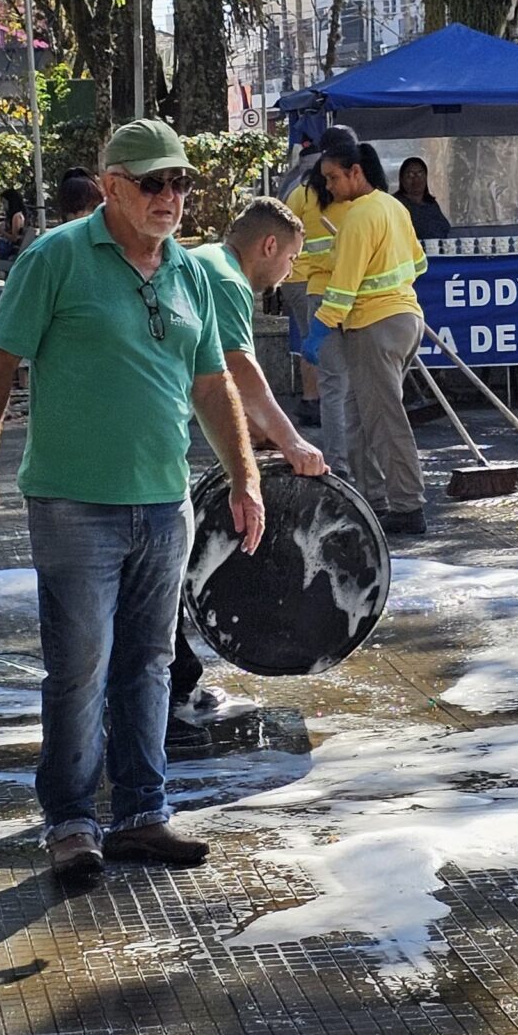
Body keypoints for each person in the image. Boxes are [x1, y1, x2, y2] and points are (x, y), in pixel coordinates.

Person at [0, 119, 262, 883]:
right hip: (72, 504)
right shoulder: (57, 257)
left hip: (164, 502)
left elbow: (212, 382)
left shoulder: (188, 272)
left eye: (180, 183)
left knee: (149, 665)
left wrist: (248, 477)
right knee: (80, 666)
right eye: (153, 183)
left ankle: (142, 815)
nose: (170, 197)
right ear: (113, 185)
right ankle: (71, 821)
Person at [173, 198, 331, 728]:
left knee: (159, 562)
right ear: (268, 246)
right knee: (160, 561)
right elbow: (241, 373)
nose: (287, 274)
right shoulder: (228, 279)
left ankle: (175, 679)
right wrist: (293, 443)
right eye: (289, 260)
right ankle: (173, 689)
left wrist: (252, 441)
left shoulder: (206, 262)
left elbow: (216, 381)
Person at [304, 126, 428, 534]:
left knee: (385, 420)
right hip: (404, 320)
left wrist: (319, 330)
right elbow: (419, 264)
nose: (329, 185)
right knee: (363, 417)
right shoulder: (393, 209)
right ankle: (375, 499)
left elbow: (342, 289)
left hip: (374, 326)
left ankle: (407, 507)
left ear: (356, 173)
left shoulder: (359, 216)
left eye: (334, 178)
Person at [281, 135, 333, 430]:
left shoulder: (294, 187)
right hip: (305, 277)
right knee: (313, 341)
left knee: (309, 338)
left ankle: (312, 398)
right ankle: (313, 400)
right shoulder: (311, 192)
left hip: (298, 277)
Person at [395, 156, 452, 242]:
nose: (416, 179)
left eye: (420, 174)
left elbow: (445, 229)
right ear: (402, 179)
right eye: (410, 175)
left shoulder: (431, 204)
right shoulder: (395, 204)